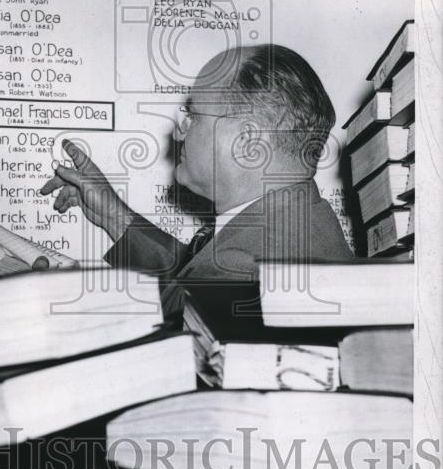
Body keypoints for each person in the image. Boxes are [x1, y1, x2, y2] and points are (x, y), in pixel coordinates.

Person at [40, 44, 353, 334]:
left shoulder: (245, 272)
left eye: (194, 116)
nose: (179, 132)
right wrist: (114, 215)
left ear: (247, 141)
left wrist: (58, 307)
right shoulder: (298, 222)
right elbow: (196, 279)